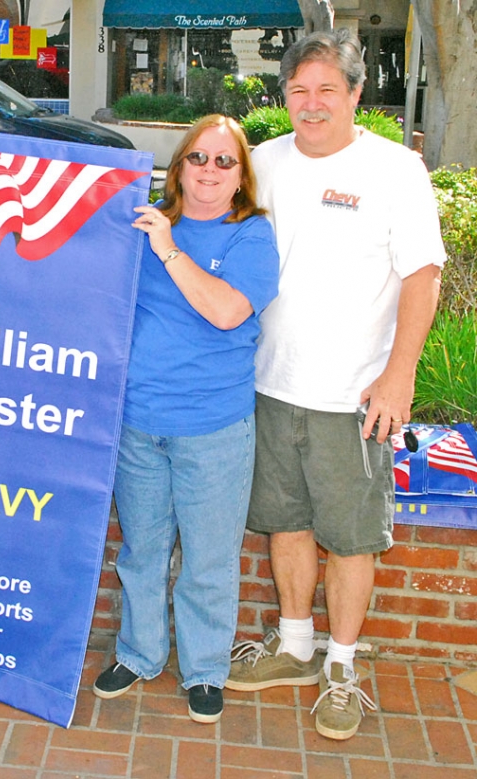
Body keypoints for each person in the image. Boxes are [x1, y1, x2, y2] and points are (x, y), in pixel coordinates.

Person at [225, 29, 445, 741]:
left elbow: (423, 273)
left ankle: (342, 665)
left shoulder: (394, 170)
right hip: (270, 384)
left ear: (355, 94)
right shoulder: (263, 162)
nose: (311, 104)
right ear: (283, 96)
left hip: (354, 396)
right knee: (284, 521)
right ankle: (293, 646)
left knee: (350, 538)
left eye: (327, 90)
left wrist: (398, 374)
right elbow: (186, 205)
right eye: (299, 91)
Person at [88, 115, 279, 723]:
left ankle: (204, 670)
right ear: (179, 166)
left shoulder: (250, 236)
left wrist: (167, 247)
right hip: (139, 421)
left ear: (241, 176)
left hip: (214, 426)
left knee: (207, 559)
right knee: (141, 550)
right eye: (198, 159)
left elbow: (225, 311)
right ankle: (140, 653)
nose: (209, 172)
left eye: (225, 162)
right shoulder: (140, 223)